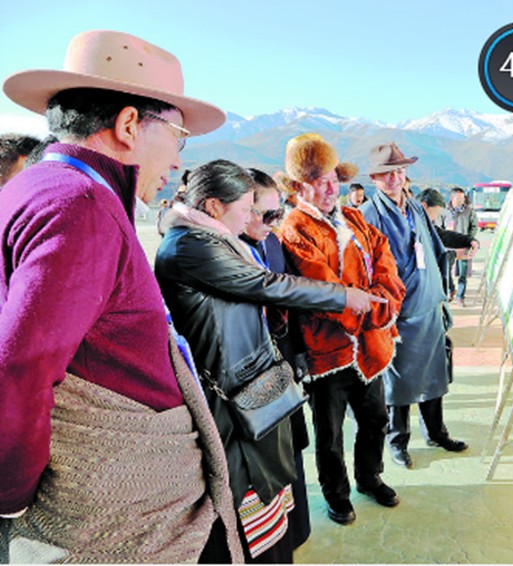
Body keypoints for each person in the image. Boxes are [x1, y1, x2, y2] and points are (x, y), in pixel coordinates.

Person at [0, 30, 243, 563]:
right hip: (119, 520)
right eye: (178, 135)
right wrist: (11, 494)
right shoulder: (80, 202)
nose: (177, 160)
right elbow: (20, 363)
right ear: (129, 124)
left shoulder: (36, 187)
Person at [155, 159, 386, 562]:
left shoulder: (209, 238)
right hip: (231, 393)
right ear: (214, 206)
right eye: (247, 209)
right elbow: (266, 284)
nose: (252, 219)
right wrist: (343, 296)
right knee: (247, 496)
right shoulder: (191, 246)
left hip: (249, 381)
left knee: (268, 495)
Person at [279, 134, 406, 525]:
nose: (330, 188)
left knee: (375, 419)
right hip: (327, 351)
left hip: (370, 345)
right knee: (329, 433)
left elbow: (385, 260)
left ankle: (370, 477)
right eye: (320, 181)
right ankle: (337, 494)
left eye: (334, 179)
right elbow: (322, 287)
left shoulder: (354, 218)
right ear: (300, 187)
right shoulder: (294, 228)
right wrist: (375, 310)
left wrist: (382, 301)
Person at [360, 142, 467, 470]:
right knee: (398, 383)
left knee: (435, 374)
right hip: (398, 314)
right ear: (374, 178)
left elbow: (434, 244)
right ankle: (397, 441)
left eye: (400, 171)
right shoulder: (368, 215)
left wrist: (461, 252)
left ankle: (436, 432)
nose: (395, 178)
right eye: (387, 173)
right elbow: (364, 268)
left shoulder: (416, 208)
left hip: (428, 305)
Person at [241, 167, 311, 549]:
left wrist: (298, 352)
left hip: (281, 358)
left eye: (278, 213)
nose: (273, 223)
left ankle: (297, 526)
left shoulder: (271, 242)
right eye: (267, 215)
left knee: (293, 445)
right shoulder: (226, 251)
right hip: (251, 374)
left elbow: (291, 298)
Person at [439, 187, 479, 306]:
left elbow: (474, 226)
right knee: (446, 271)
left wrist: (469, 240)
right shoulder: (444, 211)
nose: (461, 201)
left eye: (463, 198)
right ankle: (450, 290)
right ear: (452, 198)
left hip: (464, 247)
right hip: (448, 247)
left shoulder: (469, 211)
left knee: (463, 273)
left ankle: (460, 297)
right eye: (459, 198)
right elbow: (439, 229)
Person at [419, 188, 480, 257]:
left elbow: (441, 235)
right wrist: (454, 255)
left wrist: (469, 240)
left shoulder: (423, 225)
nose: (435, 218)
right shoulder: (413, 228)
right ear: (424, 206)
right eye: (435, 213)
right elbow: (427, 258)